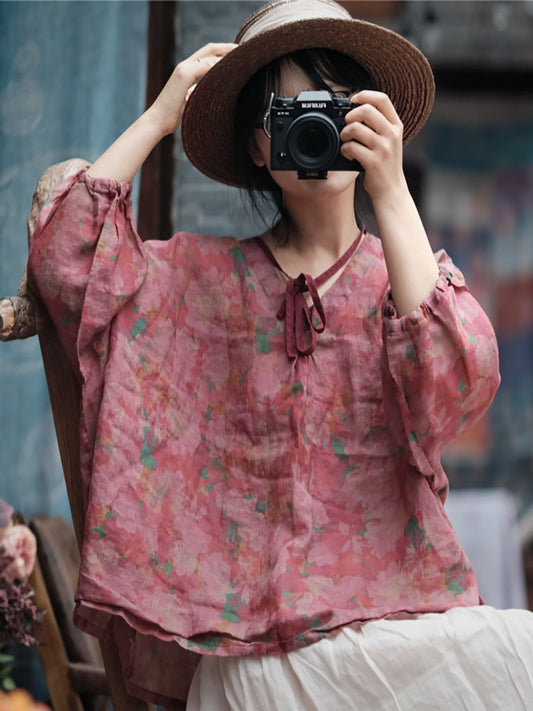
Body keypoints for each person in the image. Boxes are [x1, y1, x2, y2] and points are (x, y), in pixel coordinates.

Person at [26, 0, 533, 709]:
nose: (317, 127)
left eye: (333, 104)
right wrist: (159, 116)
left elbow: (454, 387)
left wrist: (391, 189)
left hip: (394, 627)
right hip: (253, 652)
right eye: (289, 112)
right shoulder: (192, 281)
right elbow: (66, 266)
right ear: (259, 147)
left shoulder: (403, 283)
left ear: (370, 118)